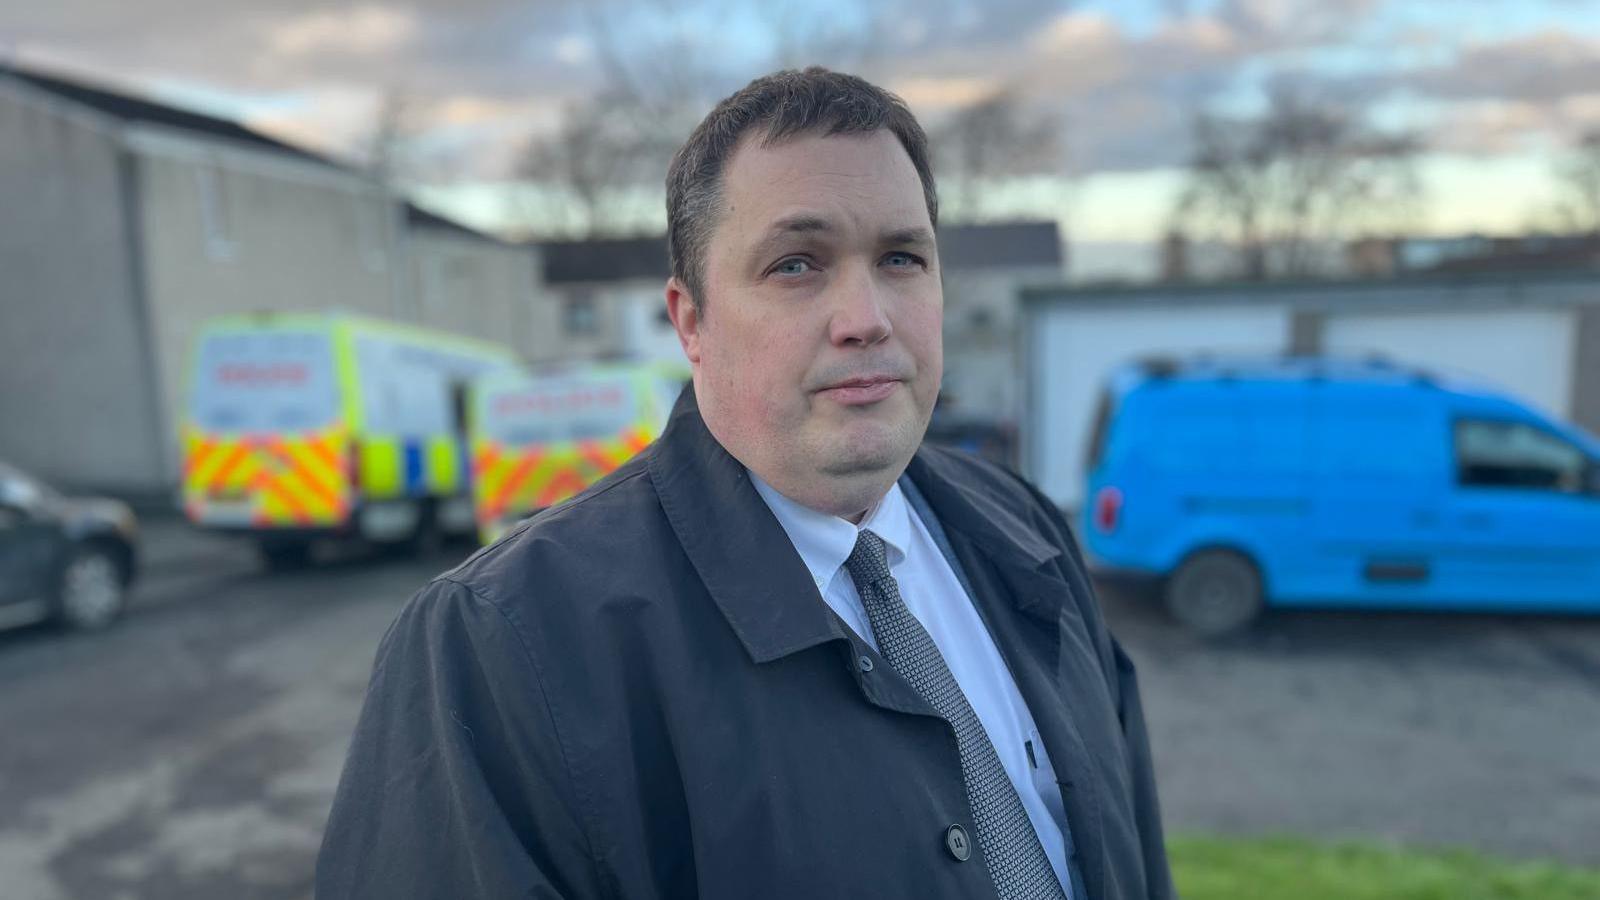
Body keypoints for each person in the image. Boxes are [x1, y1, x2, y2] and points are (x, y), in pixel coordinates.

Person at [316, 67, 1174, 900]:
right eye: (797, 264)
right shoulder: (503, 646)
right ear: (691, 321)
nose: (867, 318)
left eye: (903, 258)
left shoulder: (1020, 527)